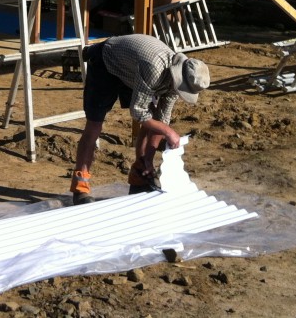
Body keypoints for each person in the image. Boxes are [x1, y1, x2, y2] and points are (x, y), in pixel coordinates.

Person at [69, 33, 210, 205]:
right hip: (105, 61)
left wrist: (149, 159)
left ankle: (140, 175)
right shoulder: (154, 69)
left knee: (153, 120)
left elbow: (161, 118)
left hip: (131, 70)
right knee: (94, 125)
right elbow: (137, 112)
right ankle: (80, 186)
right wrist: (169, 132)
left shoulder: (177, 80)